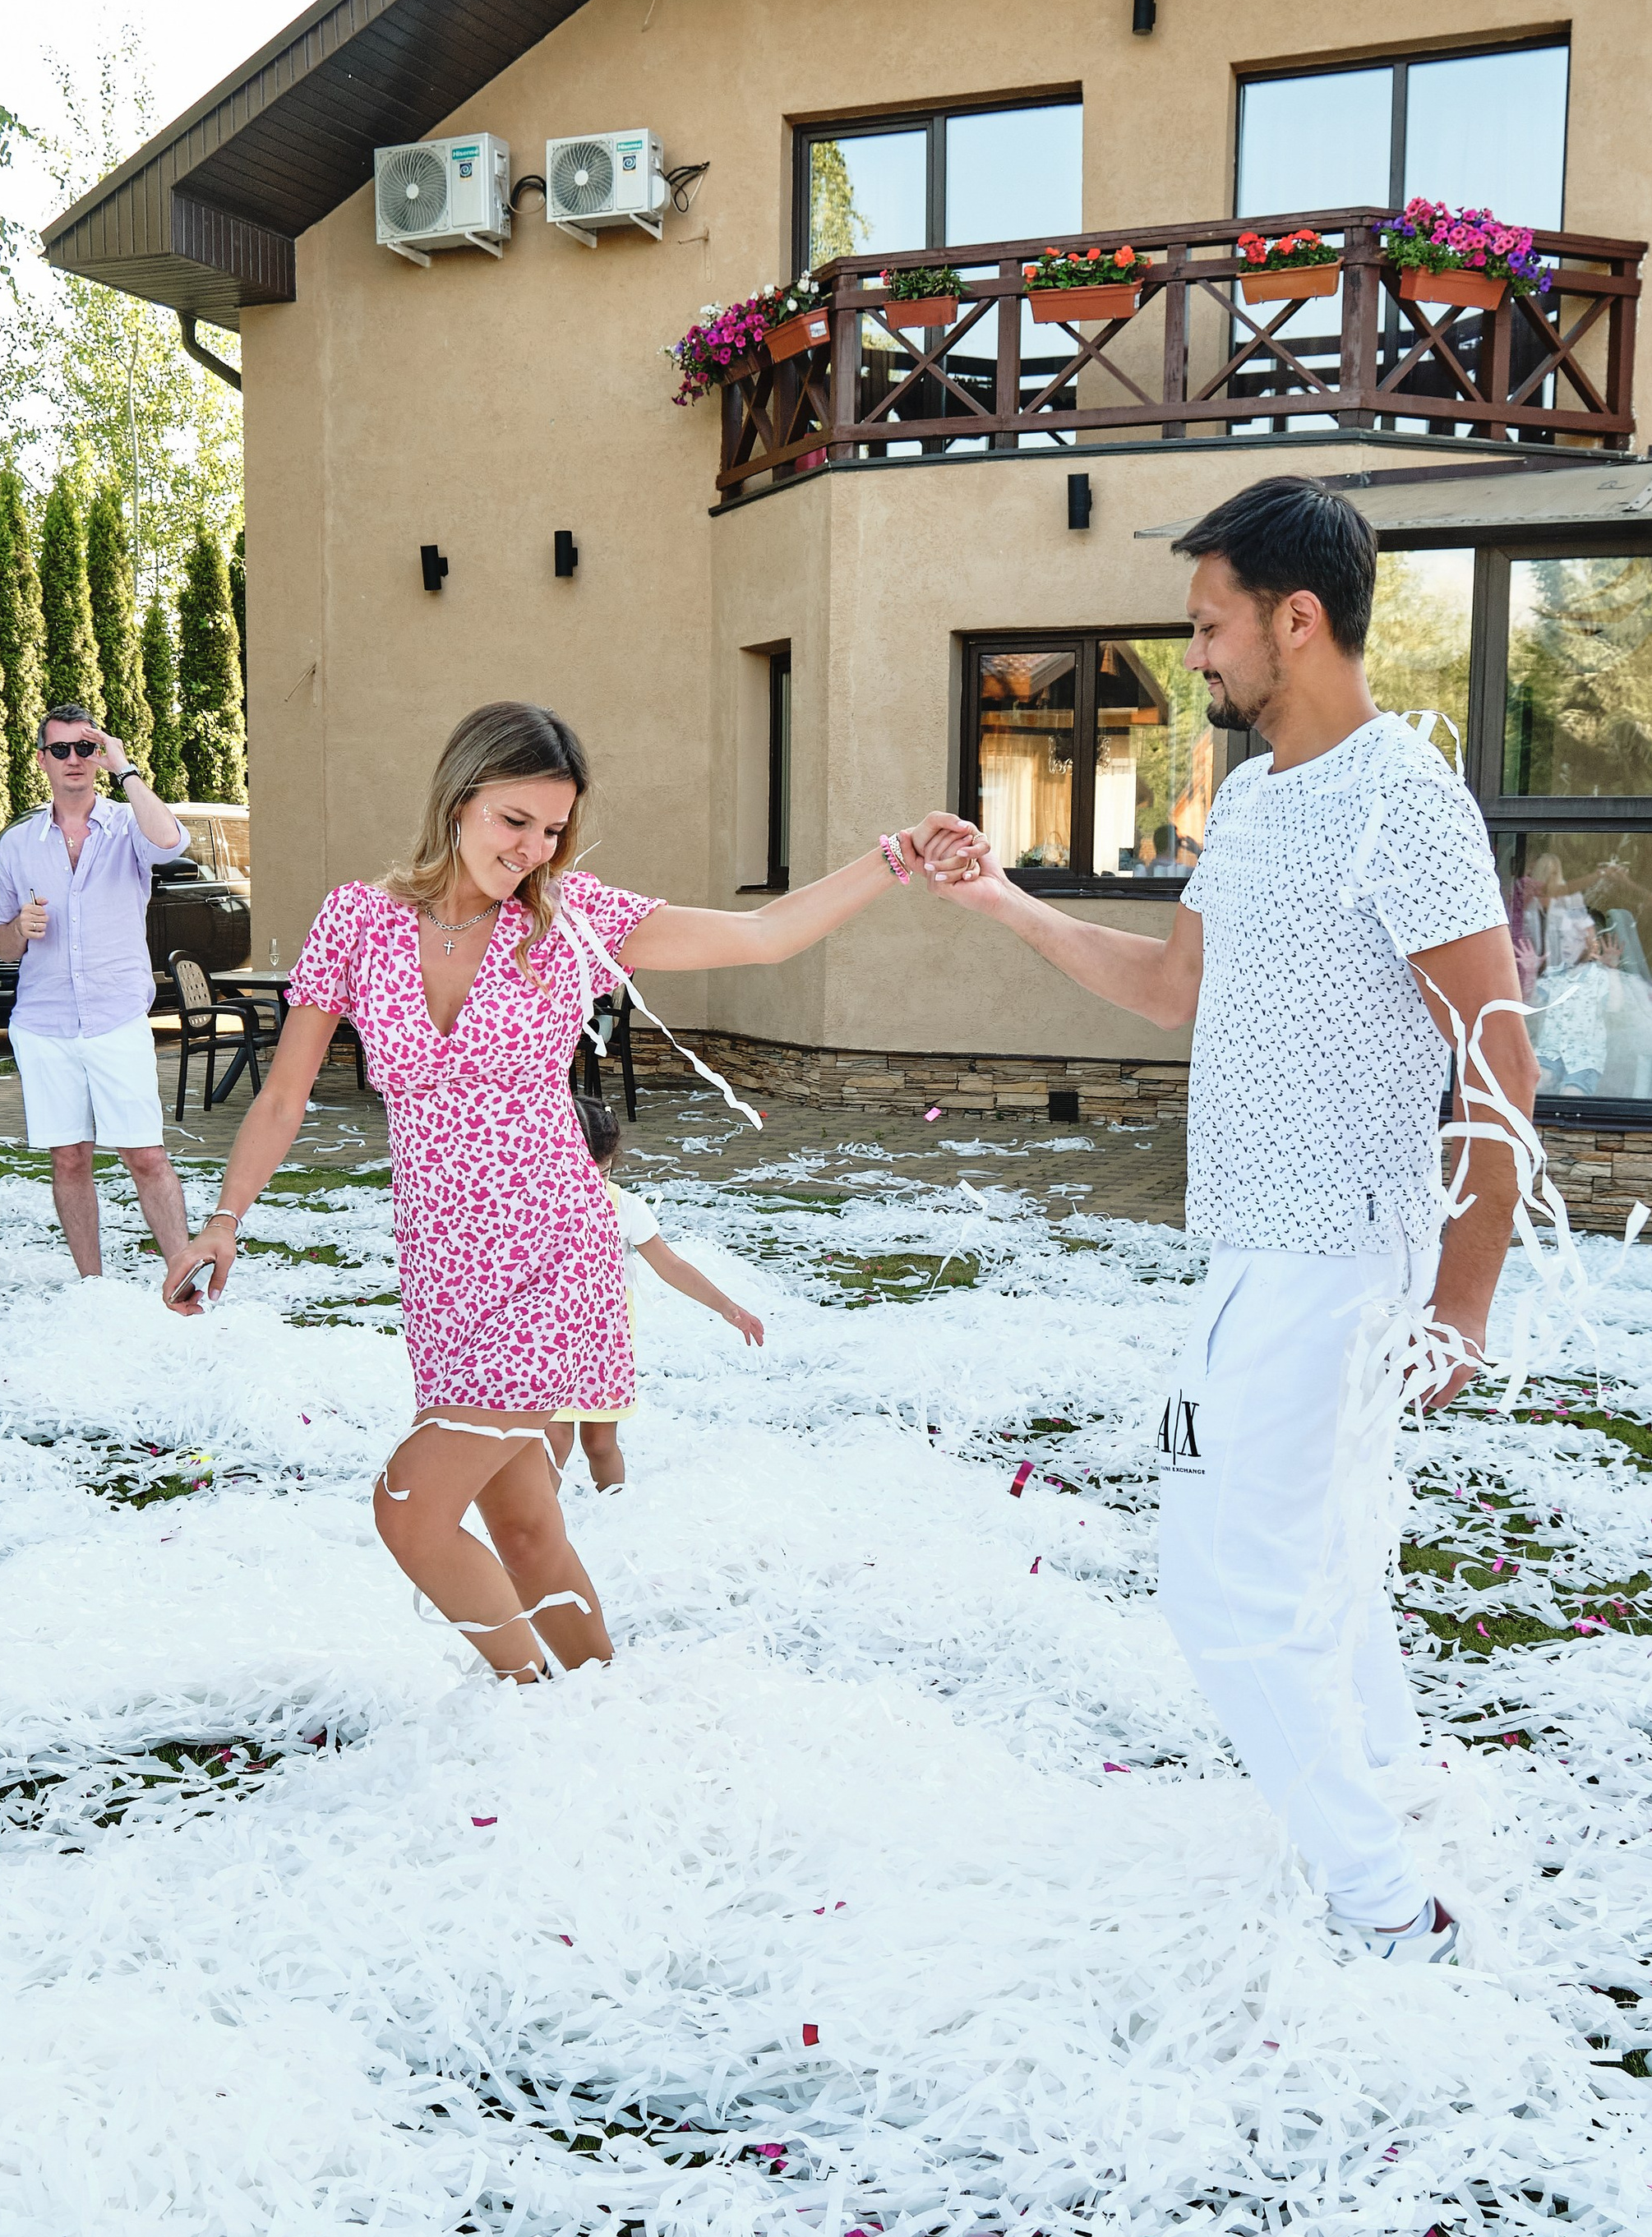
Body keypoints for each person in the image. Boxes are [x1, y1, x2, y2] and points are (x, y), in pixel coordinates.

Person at [930, 476, 1537, 1964]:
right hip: (1258, 1246)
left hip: (1337, 1258)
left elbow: (1498, 1066)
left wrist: (1462, 1303)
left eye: (1210, 626)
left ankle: (1388, 1907)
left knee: (1218, 1587)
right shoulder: (1257, 798)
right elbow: (1172, 990)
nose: (1193, 654)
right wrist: (1002, 900)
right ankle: (1397, 1794)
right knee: (1322, 1557)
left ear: (1297, 618)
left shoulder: (1404, 799)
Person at [161, 700, 970, 1685]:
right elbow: (283, 1095)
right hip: (444, 1270)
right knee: (523, 1524)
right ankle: (601, 1701)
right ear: (459, 800)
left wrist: (894, 857)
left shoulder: (569, 919)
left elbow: (763, 934)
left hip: (553, 1252)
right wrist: (224, 1222)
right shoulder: (358, 922)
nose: (533, 850)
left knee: (410, 1509)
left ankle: (530, 1706)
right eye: (515, 821)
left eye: (552, 829)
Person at [0, 705, 193, 1277]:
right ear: (42, 760)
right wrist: (18, 928)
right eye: (61, 749)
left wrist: (125, 769)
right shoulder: (20, 844)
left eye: (86, 748)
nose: (74, 759)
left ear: (99, 755)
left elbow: (171, 842)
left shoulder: (129, 825)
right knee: (70, 1158)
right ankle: (91, 1286)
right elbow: (1, 945)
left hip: (116, 1018)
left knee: (145, 1154)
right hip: (44, 1024)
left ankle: (182, 1279)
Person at [557, 1096, 764, 1490]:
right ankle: (539, 1522)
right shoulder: (538, 1207)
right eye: (583, 1174)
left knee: (600, 1443)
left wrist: (727, 1307)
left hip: (604, 1343)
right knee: (555, 1442)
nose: (593, 1185)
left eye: (603, 1174)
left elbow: (671, 1266)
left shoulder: (626, 1207)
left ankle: (616, 1511)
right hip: (550, 1339)